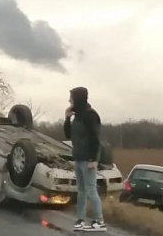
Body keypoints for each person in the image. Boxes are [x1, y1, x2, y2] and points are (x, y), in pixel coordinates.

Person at [64, 86, 106, 232]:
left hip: (88, 159)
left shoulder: (90, 115)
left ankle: (100, 221)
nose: (69, 101)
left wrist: (93, 159)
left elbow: (95, 138)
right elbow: (68, 135)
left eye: (71, 98)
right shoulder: (77, 116)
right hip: (78, 158)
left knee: (91, 190)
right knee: (81, 190)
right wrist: (67, 118)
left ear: (77, 98)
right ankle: (80, 219)